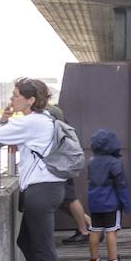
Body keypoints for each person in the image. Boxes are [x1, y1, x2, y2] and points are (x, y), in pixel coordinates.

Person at [0, 78, 66, 261]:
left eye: (16, 95)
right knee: (27, 241)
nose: (12, 99)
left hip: (41, 191)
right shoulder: (41, 120)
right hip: (46, 189)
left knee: (42, 245)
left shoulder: (32, 122)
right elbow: (5, 135)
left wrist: (4, 123)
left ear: (31, 99)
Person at [86, 129, 131, 261]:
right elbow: (121, 185)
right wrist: (126, 204)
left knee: (94, 230)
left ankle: (94, 260)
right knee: (111, 231)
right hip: (110, 203)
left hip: (94, 202)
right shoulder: (115, 162)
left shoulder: (92, 161)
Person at [44, 103, 91, 244]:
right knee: (68, 198)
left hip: (59, 163)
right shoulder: (53, 110)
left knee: (69, 198)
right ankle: (92, 227)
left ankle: (85, 231)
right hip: (62, 162)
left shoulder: (49, 112)